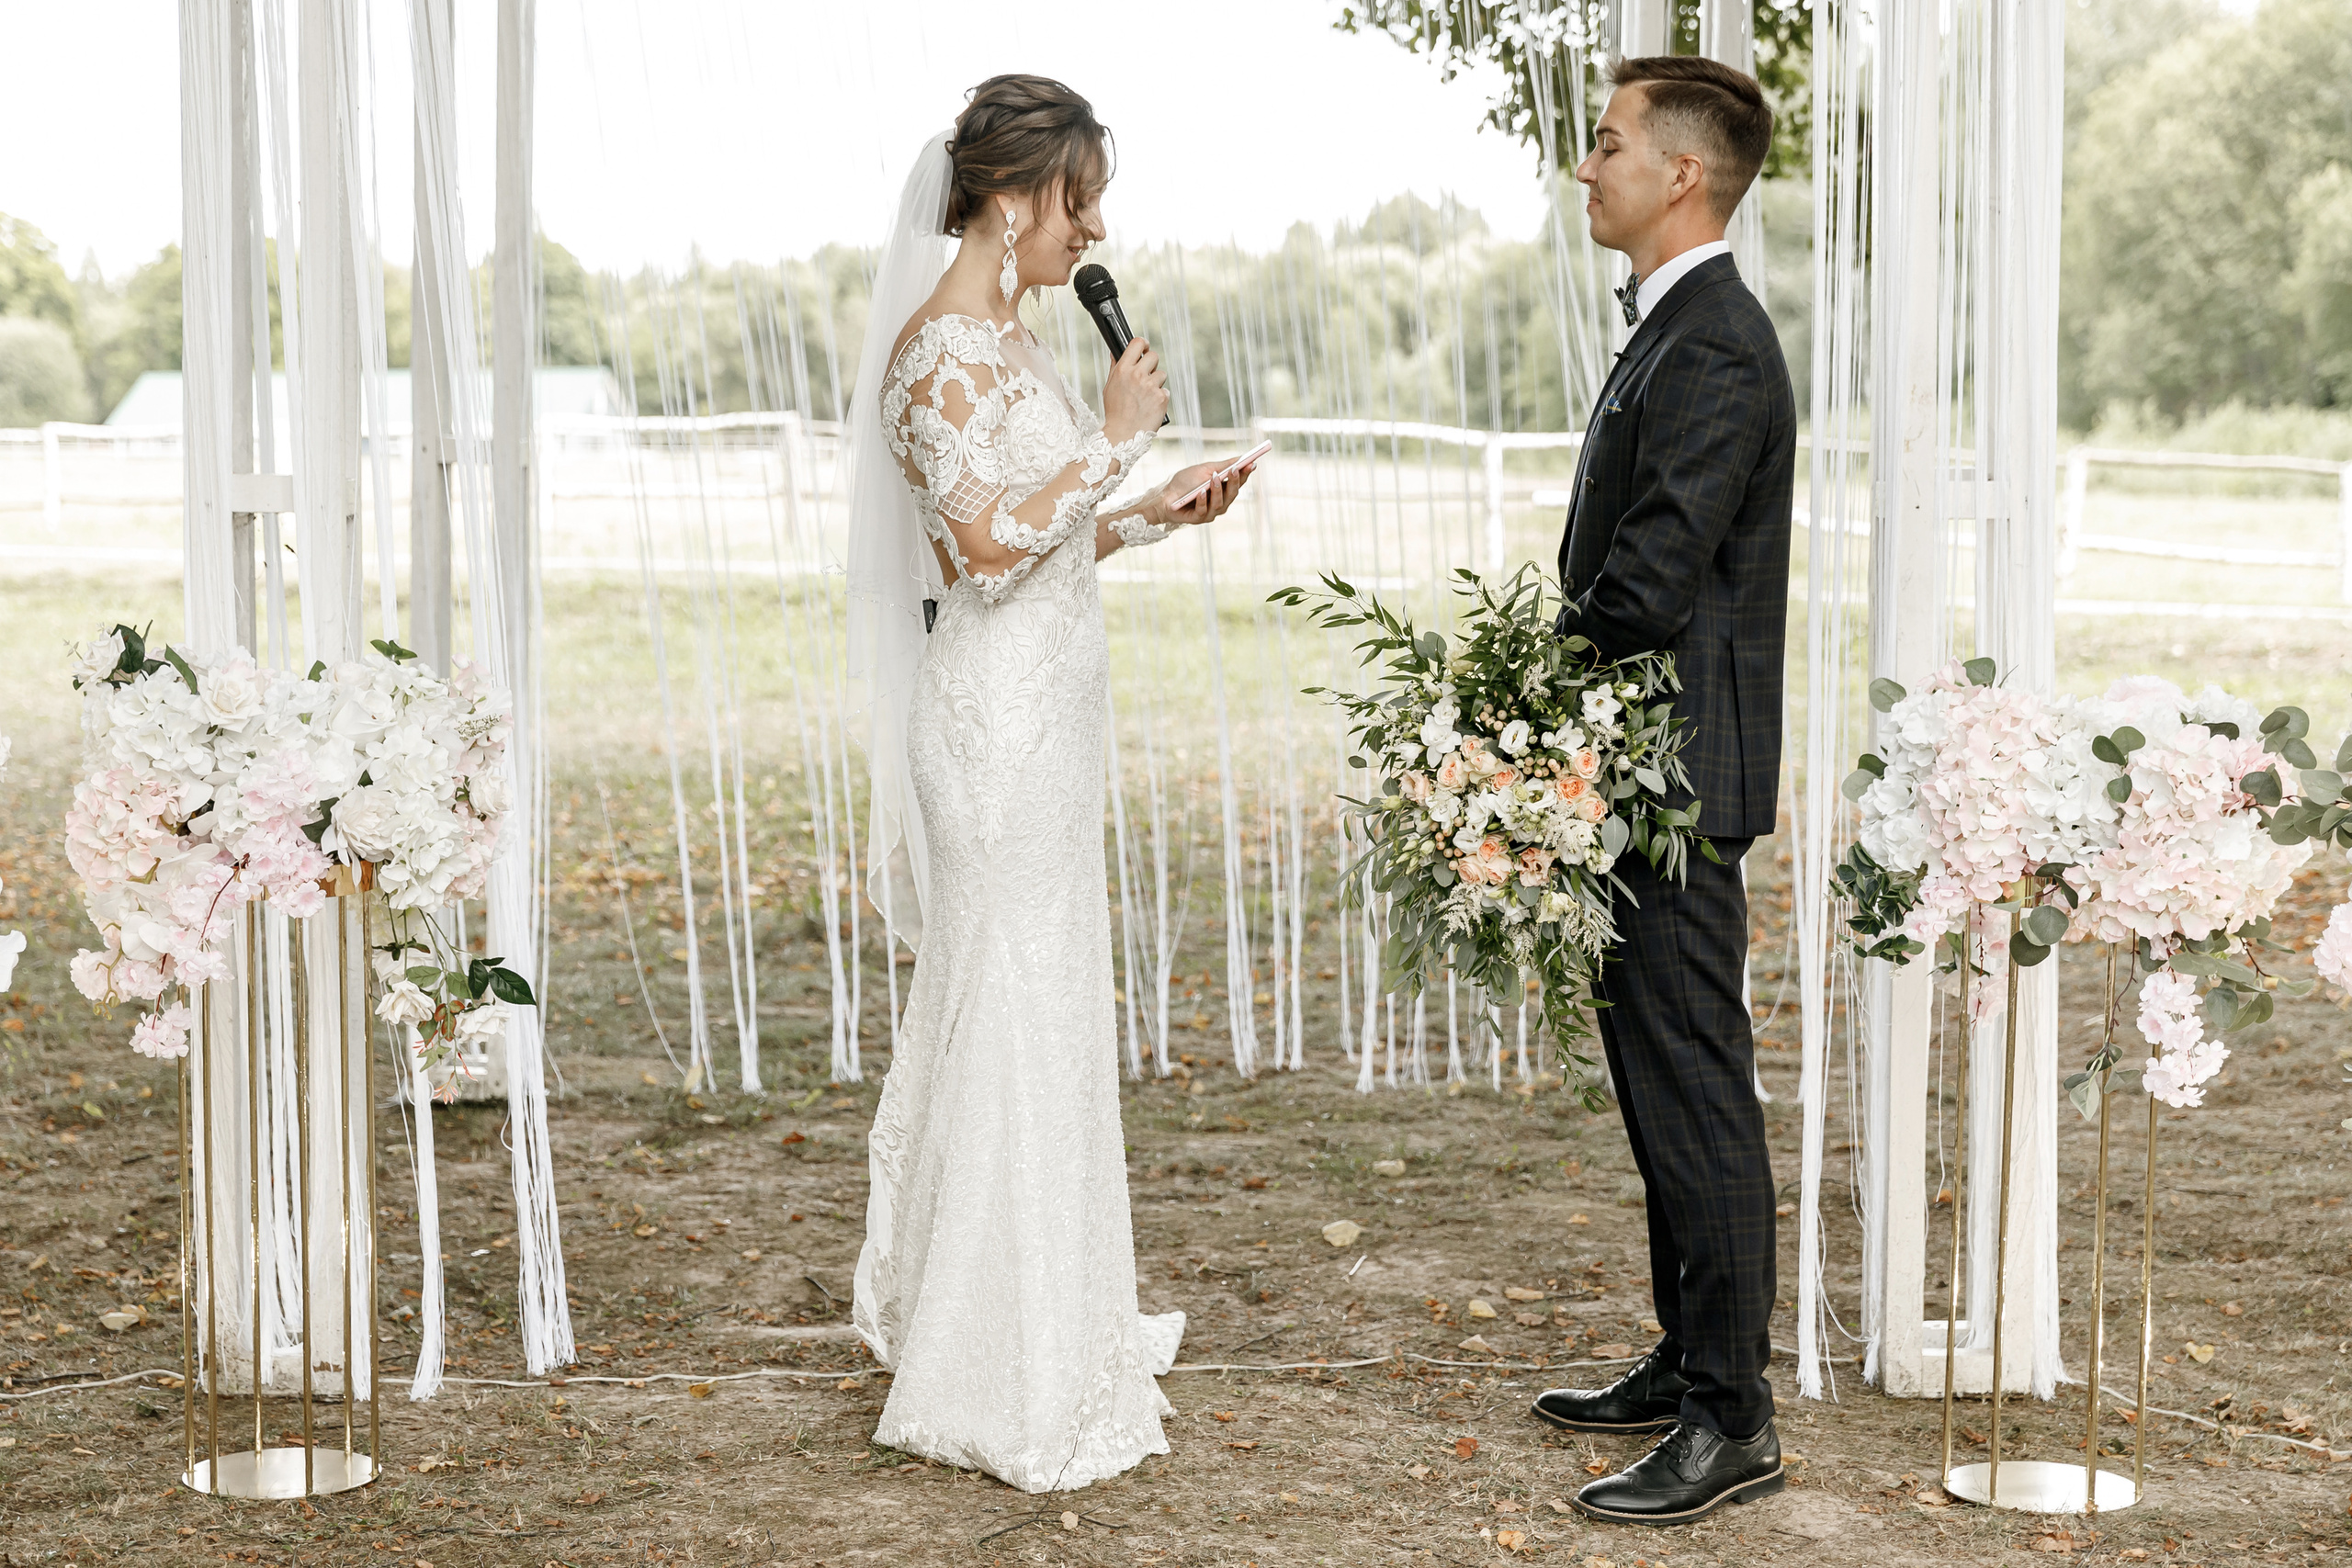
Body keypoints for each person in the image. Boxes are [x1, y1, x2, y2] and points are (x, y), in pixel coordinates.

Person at [844, 73, 1253, 1495]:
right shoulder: (934, 355)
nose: (1093, 228)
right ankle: (988, 1350)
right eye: (1080, 199)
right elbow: (980, 547)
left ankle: (1049, 1300)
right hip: (992, 727)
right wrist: (1115, 441)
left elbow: (1051, 537)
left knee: (1048, 992)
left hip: (1051, 707)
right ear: (1014, 198)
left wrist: (1147, 510)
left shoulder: (1011, 347)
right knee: (1007, 994)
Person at [1532, 54, 1796, 1527]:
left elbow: (1645, 581)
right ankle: (1689, 1355)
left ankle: (1732, 1419)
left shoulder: (1714, 343)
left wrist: (1511, 684)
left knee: (1695, 1086)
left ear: (1681, 174)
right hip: (1639, 769)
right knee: (1655, 1081)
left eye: (1610, 142)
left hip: (1676, 780)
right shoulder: (1675, 324)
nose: (1589, 164)